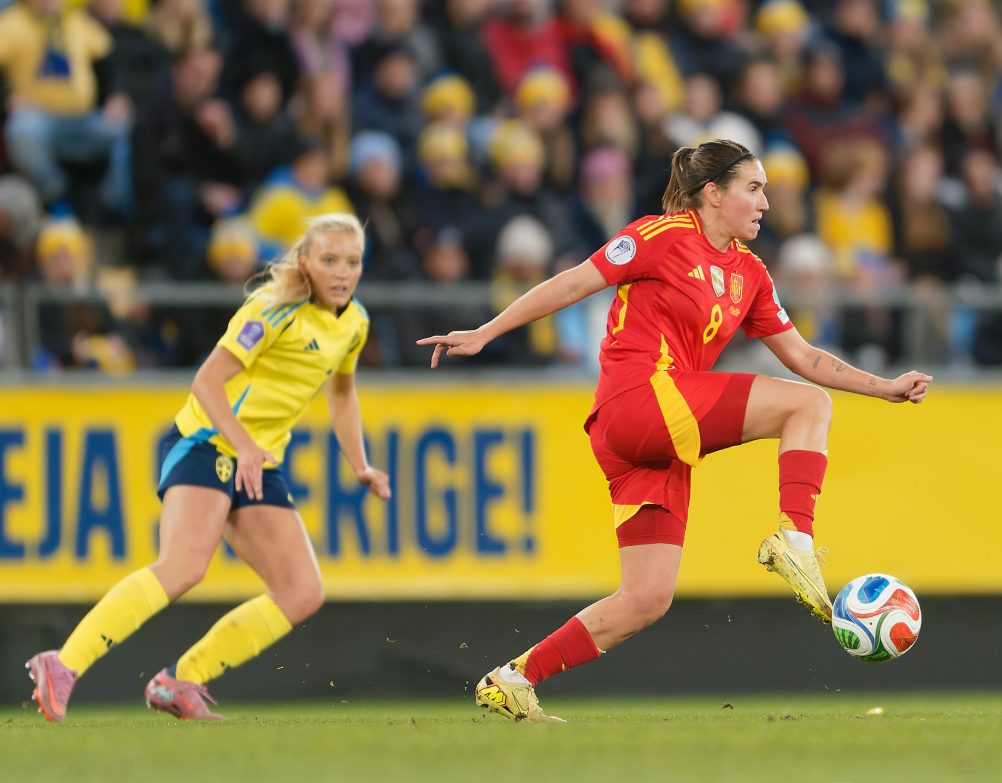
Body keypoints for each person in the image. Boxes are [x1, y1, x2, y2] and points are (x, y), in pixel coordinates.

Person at [418, 139, 932, 722]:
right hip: (639, 400)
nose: (767, 201)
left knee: (647, 598)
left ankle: (514, 678)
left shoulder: (750, 273)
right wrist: (487, 332)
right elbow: (572, 282)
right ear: (713, 194)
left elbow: (804, 355)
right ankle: (795, 539)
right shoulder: (660, 236)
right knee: (807, 408)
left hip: (649, 437)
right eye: (754, 188)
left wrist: (884, 387)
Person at [26, 213, 391, 722]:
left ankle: (181, 680)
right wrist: (241, 445)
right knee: (183, 567)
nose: (342, 272)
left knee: (301, 592)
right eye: (329, 260)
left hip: (255, 460)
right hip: (208, 442)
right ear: (305, 262)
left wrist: (361, 464)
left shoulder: (355, 322)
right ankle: (62, 663)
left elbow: (343, 393)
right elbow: (206, 381)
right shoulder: (272, 310)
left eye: (352, 261)